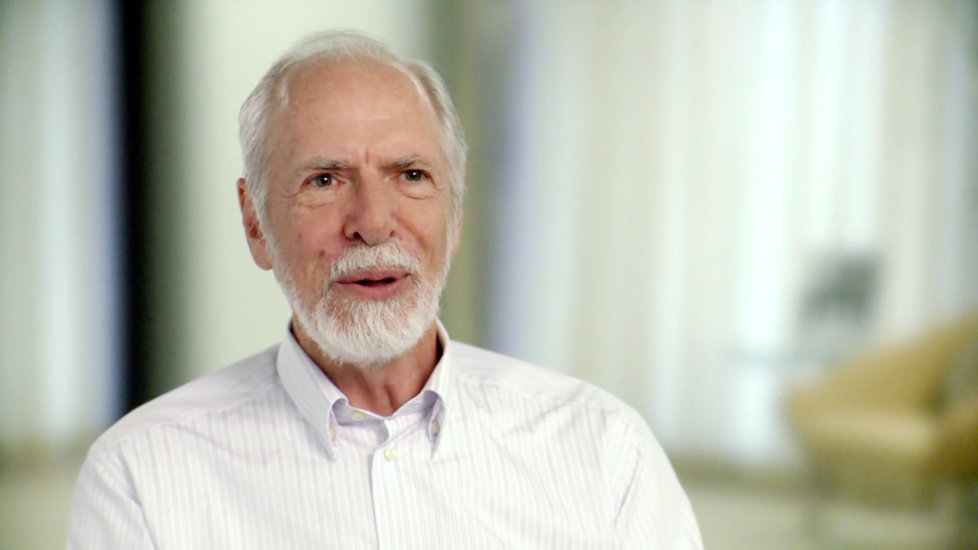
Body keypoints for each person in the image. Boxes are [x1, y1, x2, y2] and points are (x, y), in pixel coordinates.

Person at [67, 29, 703, 549]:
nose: (372, 223)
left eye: (411, 175)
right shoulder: (142, 475)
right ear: (255, 222)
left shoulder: (602, 449)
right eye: (324, 180)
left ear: (455, 215)